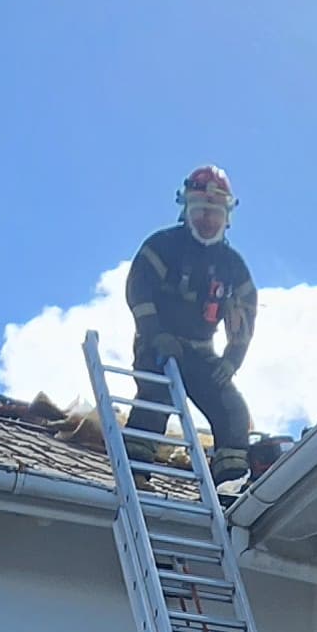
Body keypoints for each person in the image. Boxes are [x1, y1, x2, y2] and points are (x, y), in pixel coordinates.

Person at [126, 164, 258, 469]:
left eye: (215, 212)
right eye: (200, 210)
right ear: (186, 210)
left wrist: (231, 361)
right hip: (158, 345)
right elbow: (139, 293)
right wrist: (156, 334)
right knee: (156, 397)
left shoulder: (233, 267)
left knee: (233, 411)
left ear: (228, 217)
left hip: (201, 352)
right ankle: (137, 469)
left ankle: (229, 477)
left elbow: (244, 320)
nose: (207, 219)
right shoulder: (162, 247)